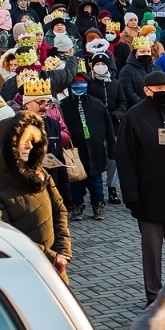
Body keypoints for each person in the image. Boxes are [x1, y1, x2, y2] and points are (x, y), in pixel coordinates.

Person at [116, 70, 165, 304]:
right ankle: (153, 296)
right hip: (148, 194)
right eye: (159, 90)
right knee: (152, 253)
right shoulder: (134, 117)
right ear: (147, 91)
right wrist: (131, 195)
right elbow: (125, 158)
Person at [0, 107, 72, 279]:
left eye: (32, 141)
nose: (29, 146)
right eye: (23, 140)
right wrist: (52, 257)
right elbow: (8, 236)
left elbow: (59, 211)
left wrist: (63, 251)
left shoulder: (40, 174)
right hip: (22, 269)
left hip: (55, 267)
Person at [61, 72, 111, 220]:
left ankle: (98, 205)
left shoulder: (96, 104)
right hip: (75, 151)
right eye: (75, 85)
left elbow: (109, 128)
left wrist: (112, 149)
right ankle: (77, 206)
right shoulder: (64, 105)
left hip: (95, 150)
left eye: (82, 85)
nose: (78, 87)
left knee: (96, 182)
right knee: (76, 182)